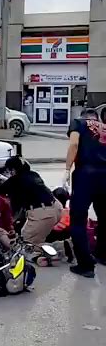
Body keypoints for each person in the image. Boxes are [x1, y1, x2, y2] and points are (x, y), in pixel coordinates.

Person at [65, 107, 106, 278]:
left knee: (78, 218)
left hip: (85, 175)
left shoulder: (78, 123)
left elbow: (74, 144)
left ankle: (85, 264)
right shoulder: (104, 127)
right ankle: (103, 254)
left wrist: (67, 169)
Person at [0, 156, 62, 249]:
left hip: (42, 213)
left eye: (9, 171)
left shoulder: (15, 181)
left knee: (26, 244)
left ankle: (61, 250)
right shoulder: (33, 175)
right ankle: (64, 247)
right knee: (35, 239)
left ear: (13, 170)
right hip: (56, 207)